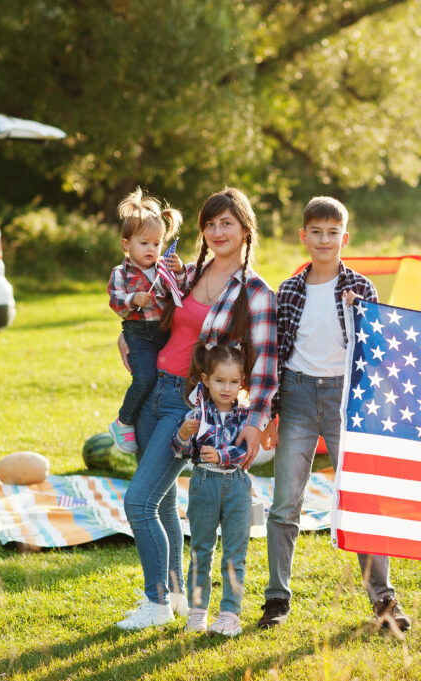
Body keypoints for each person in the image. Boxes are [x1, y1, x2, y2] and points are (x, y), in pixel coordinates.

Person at [116, 187, 277, 631]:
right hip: (151, 393)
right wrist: (126, 335)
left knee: (139, 502)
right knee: (164, 502)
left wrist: (257, 422)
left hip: (185, 405)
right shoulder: (189, 273)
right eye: (210, 223)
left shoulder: (256, 292)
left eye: (227, 223)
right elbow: (155, 317)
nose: (217, 231)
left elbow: (265, 366)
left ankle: (155, 601)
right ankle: (170, 597)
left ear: (246, 229)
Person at [256, 196, 411, 632]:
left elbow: (375, 353)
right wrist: (274, 412)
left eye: (333, 233)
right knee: (285, 502)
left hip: (346, 400)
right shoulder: (288, 290)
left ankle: (383, 600)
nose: (325, 240)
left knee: (361, 498)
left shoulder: (361, 288)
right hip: (299, 397)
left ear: (346, 237)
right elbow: (276, 355)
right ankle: (276, 599)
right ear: (303, 237)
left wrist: (375, 409)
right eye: (316, 232)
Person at [171, 342, 256, 636]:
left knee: (235, 552)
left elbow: (247, 450)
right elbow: (180, 451)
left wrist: (223, 455)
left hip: (237, 485)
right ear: (206, 380)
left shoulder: (246, 417)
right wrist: (182, 435)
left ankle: (230, 615)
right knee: (201, 550)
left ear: (241, 383)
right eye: (220, 380)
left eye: (234, 382)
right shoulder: (197, 414)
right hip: (203, 483)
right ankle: (197, 612)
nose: (226, 388)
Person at [107, 188, 186, 454]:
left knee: (162, 380)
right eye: (144, 243)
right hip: (138, 333)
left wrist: (180, 272)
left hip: (163, 332)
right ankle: (123, 421)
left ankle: (157, 426)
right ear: (127, 244)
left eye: (157, 243)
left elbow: (182, 292)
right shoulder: (120, 273)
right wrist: (132, 300)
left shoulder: (163, 270)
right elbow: (115, 302)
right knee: (144, 377)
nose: (152, 249)